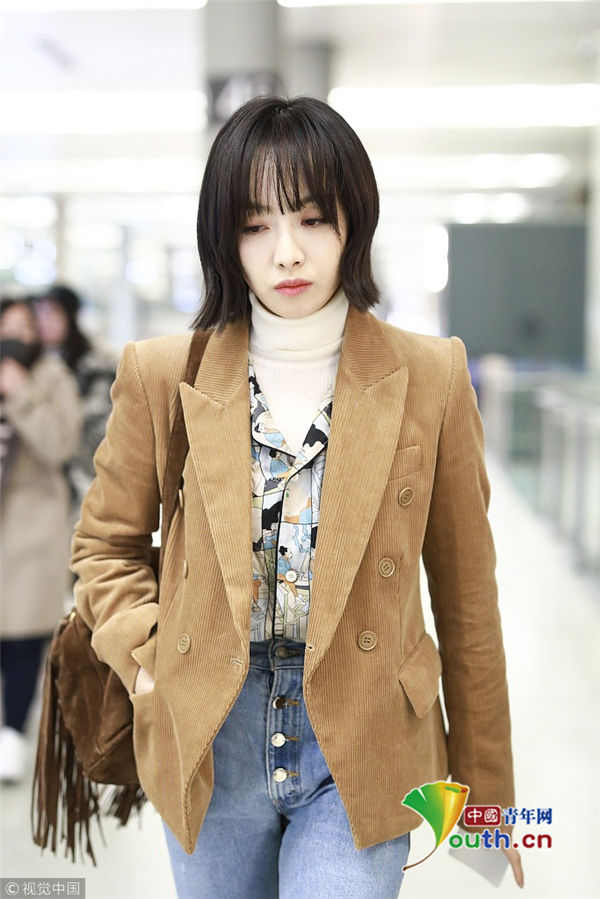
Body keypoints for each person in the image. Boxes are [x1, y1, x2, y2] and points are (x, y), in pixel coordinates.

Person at [70, 96, 523, 898]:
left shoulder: (431, 375)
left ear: (353, 219)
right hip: (211, 736)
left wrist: (485, 810)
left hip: (365, 735)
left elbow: (467, 604)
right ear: (225, 238)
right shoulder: (162, 373)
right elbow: (105, 546)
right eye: (255, 225)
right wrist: (149, 664)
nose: (287, 252)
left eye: (312, 218)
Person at [0, 297, 81, 782]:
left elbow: (59, 445)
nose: (14, 336)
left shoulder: (51, 377)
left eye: (23, 327)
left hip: (32, 528)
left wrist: (21, 393)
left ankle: (12, 734)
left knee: (23, 638)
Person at [33, 284, 116, 517]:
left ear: (70, 316)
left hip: (88, 478)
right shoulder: (36, 363)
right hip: (49, 484)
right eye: (39, 314)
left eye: (52, 313)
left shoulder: (97, 364)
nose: (44, 321)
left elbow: (97, 426)